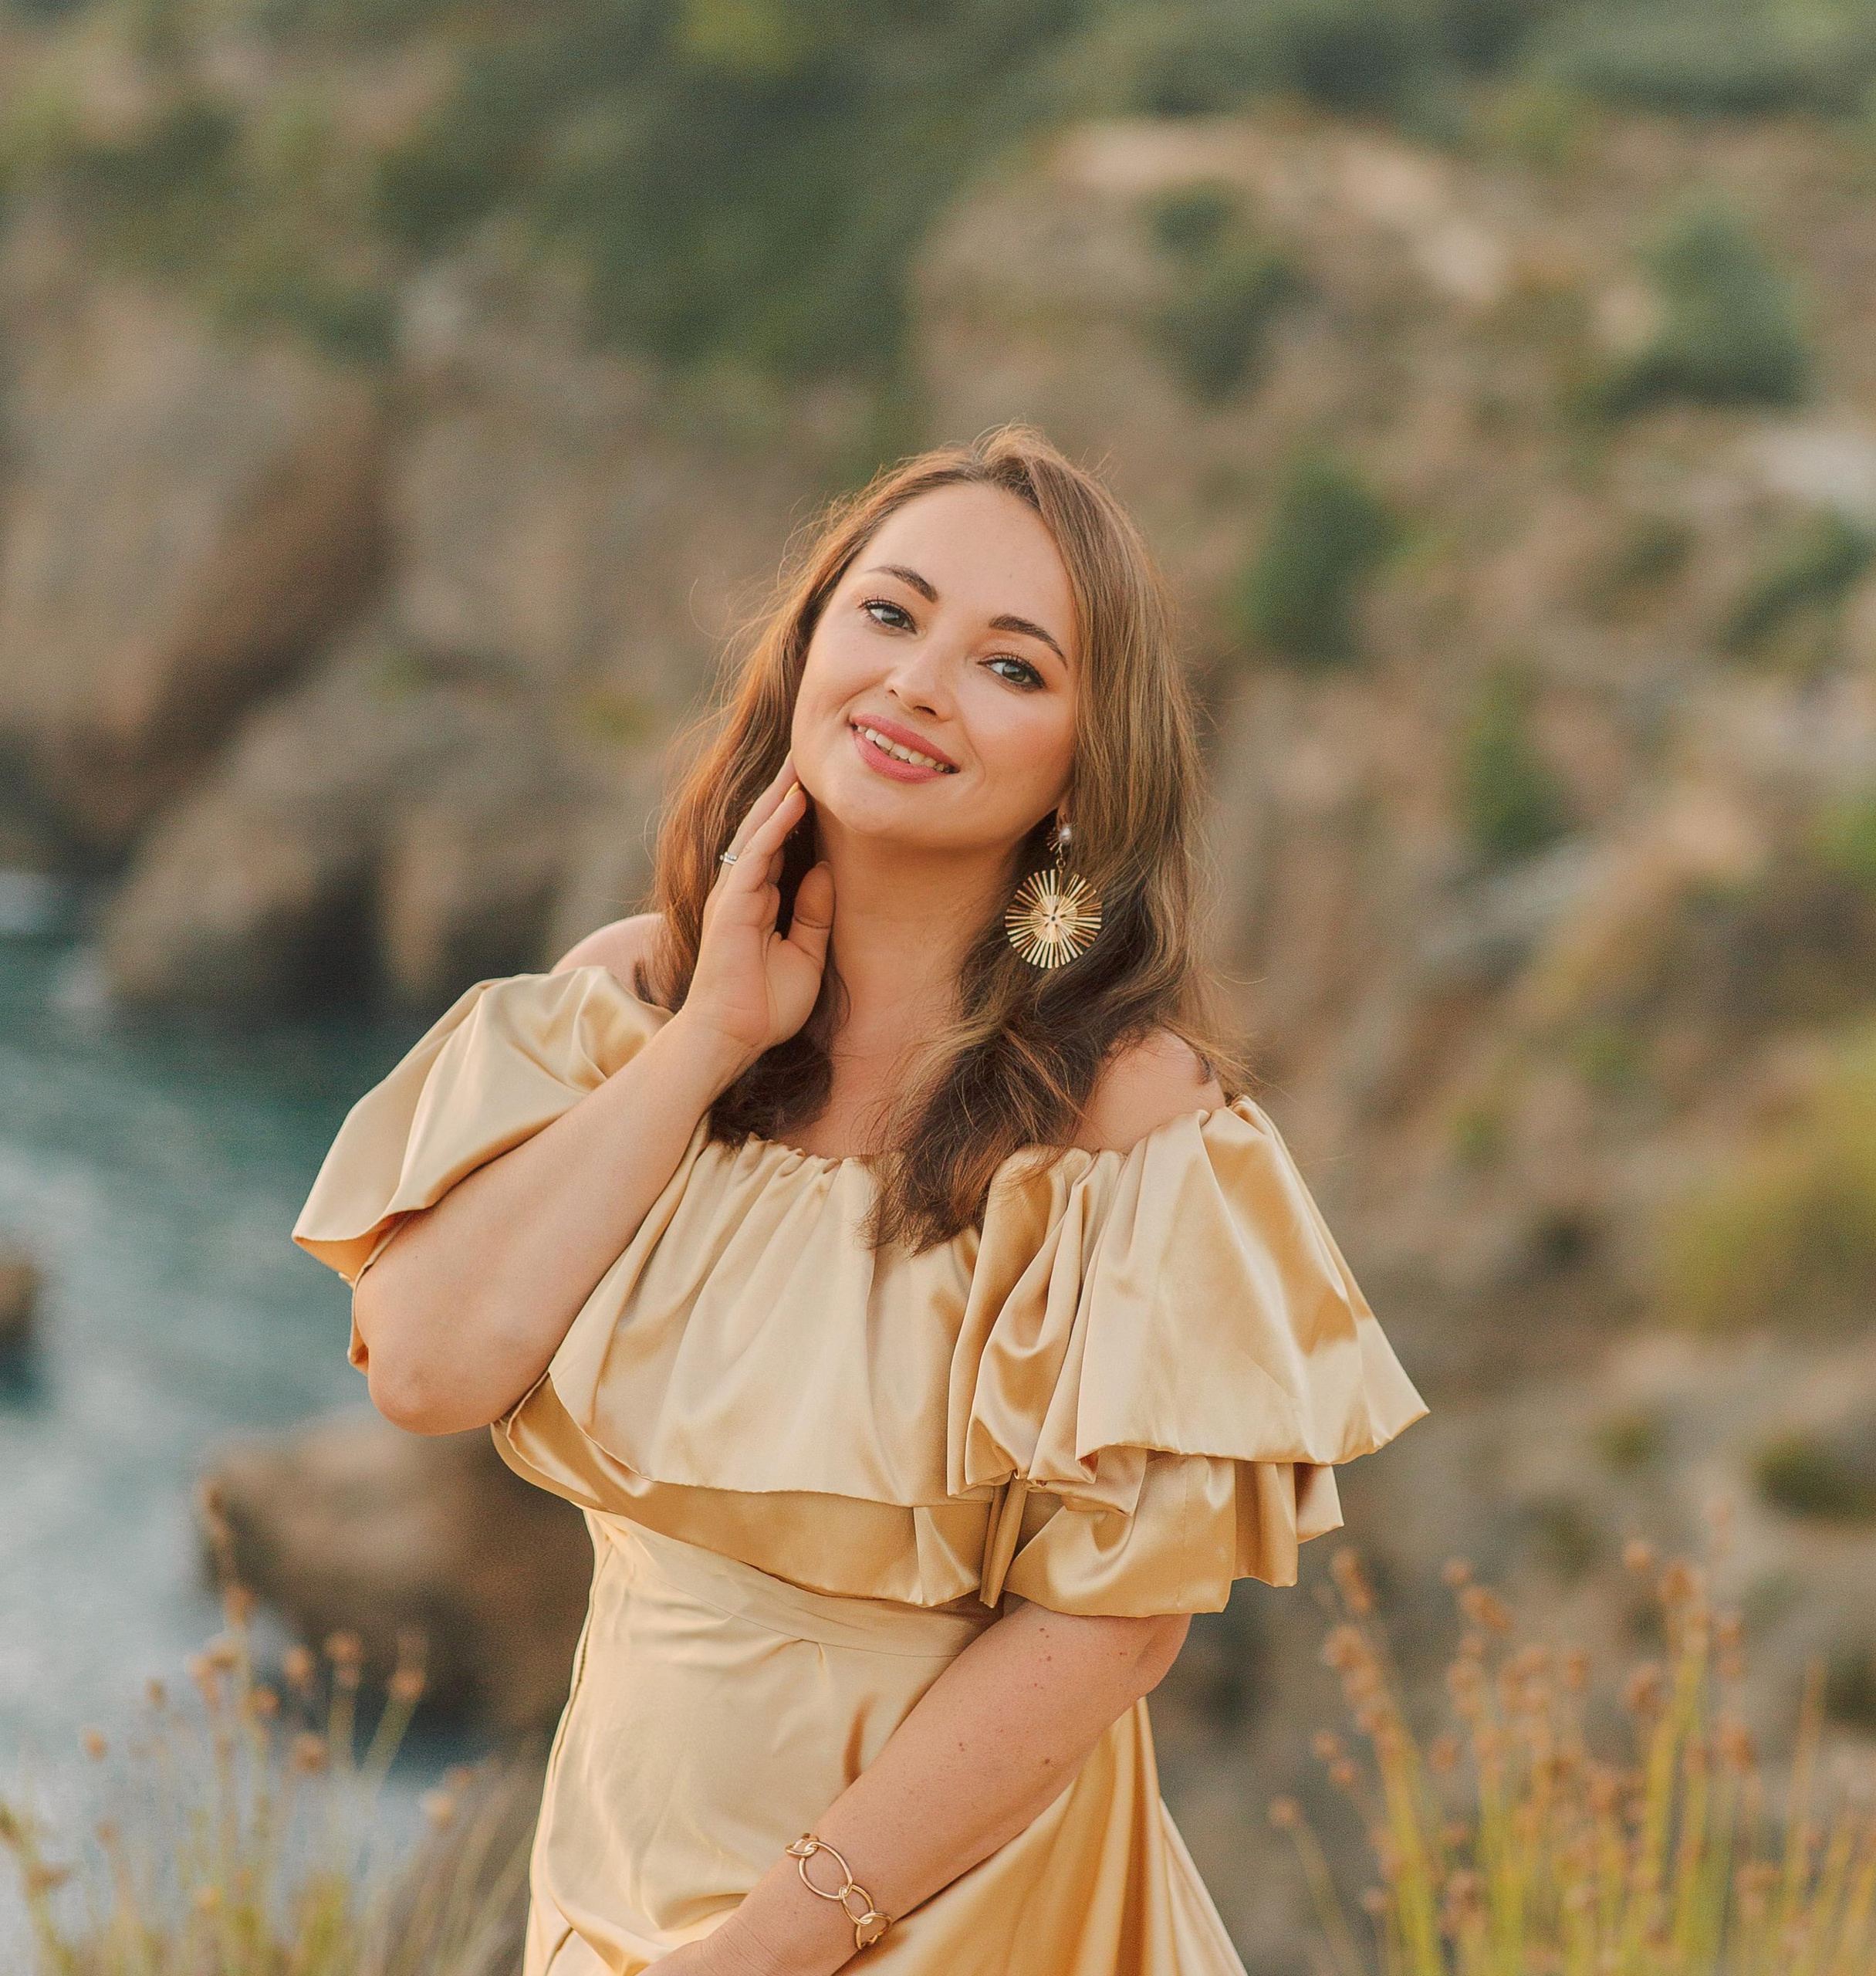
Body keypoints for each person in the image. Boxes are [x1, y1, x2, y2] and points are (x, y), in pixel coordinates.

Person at [291, 423, 1427, 1976]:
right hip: (615, 1876)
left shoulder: (1136, 1125)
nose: (916, 683)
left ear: (1085, 770)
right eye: (888, 615)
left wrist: (767, 1946)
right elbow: (422, 1366)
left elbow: (1113, 1620)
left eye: (1010, 666)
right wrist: (706, 1043)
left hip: (961, 1907)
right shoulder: (625, 1005)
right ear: (806, 646)